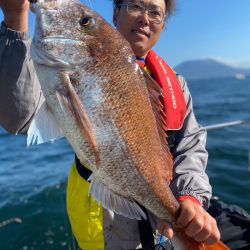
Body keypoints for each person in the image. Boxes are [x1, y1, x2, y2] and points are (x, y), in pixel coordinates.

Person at [0, 0, 249, 249]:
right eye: (136, 7)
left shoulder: (176, 84)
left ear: (163, 25)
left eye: (156, 13)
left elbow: (190, 146)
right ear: (116, 13)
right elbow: (19, 116)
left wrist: (191, 199)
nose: (145, 18)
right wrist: (15, 19)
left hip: (169, 217)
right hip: (109, 231)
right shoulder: (64, 68)